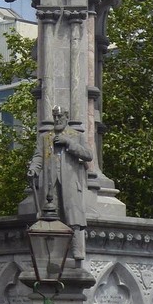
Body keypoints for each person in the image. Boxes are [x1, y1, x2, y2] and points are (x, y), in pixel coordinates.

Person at [27, 105, 93, 260]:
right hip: (51, 183)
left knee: (73, 216)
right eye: (55, 117)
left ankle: (77, 249)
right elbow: (38, 157)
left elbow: (88, 155)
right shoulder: (45, 137)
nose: (57, 120)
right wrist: (33, 169)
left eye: (60, 117)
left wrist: (68, 143)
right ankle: (52, 252)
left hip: (70, 183)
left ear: (67, 117)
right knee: (50, 217)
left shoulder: (75, 135)